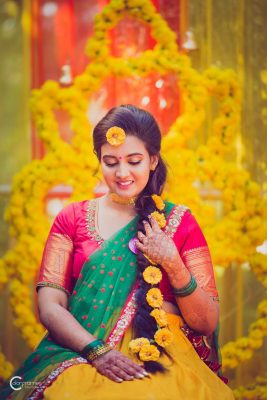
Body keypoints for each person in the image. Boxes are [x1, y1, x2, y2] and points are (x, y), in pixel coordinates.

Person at [1, 105, 234, 399]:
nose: (122, 173)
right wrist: (98, 351)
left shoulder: (180, 222)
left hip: (163, 353)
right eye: (111, 162)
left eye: (134, 161)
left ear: (153, 160)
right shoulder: (70, 219)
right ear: (99, 161)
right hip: (81, 350)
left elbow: (206, 321)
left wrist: (172, 263)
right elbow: (50, 307)